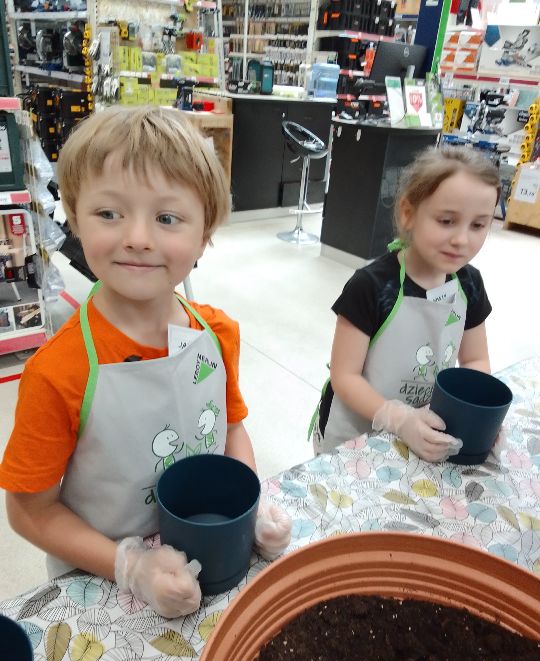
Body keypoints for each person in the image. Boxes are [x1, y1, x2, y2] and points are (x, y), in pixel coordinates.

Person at [0, 106, 289, 618]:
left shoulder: (216, 335)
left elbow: (230, 429)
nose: (137, 237)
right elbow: (29, 511)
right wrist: (129, 565)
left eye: (167, 218)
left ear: (205, 233)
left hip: (208, 555)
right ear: (75, 217)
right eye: (109, 214)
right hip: (98, 581)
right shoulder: (58, 372)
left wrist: (254, 505)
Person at [312, 145, 500, 460]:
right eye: (446, 221)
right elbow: (345, 376)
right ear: (408, 214)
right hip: (358, 434)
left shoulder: (469, 284)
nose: (462, 239)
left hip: (426, 431)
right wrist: (398, 419)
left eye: (478, 225)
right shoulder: (371, 286)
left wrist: (478, 413)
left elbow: (475, 360)